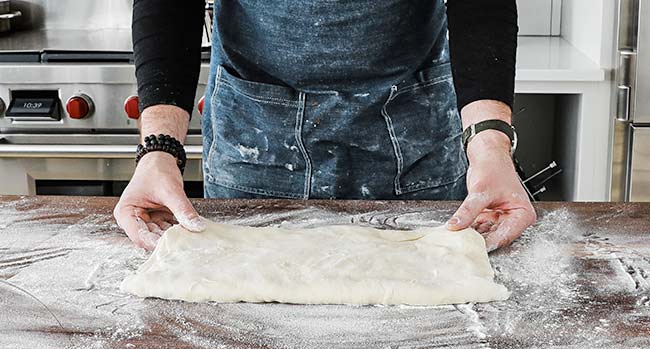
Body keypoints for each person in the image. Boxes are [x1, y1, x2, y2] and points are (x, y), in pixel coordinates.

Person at [114, 0, 536, 251]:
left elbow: (481, 5)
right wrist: (159, 149)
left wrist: (489, 147)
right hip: (258, 140)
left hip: (412, 133)